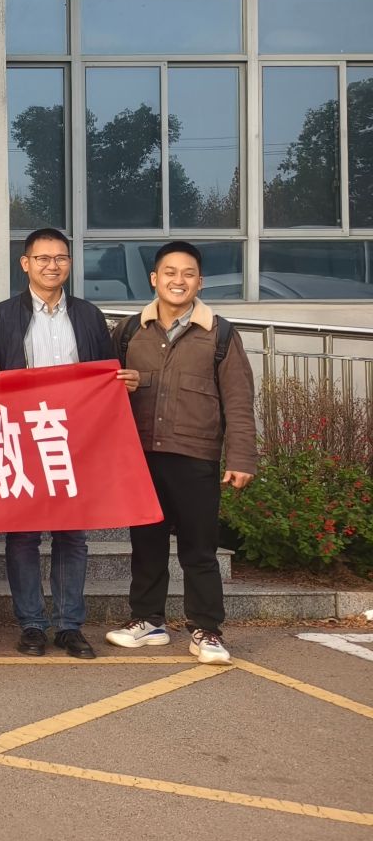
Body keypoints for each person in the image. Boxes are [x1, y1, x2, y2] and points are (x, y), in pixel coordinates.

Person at [107, 240, 257, 665]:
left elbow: (238, 401)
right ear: (154, 279)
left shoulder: (220, 334)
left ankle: (207, 630)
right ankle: (147, 620)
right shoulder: (129, 331)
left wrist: (242, 457)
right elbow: (103, 387)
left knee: (199, 548)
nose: (178, 280)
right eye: (170, 273)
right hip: (142, 454)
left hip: (196, 456)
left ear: (200, 282)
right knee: (146, 544)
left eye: (188, 274)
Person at [0, 228, 120, 660]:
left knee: (72, 535)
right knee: (23, 535)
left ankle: (69, 625)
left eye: (60, 258)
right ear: (25, 264)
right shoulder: (1, 316)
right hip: (22, 437)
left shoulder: (89, 315)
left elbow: (105, 374)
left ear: (70, 265)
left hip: (76, 438)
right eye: (42, 258)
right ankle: (32, 624)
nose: (51, 265)